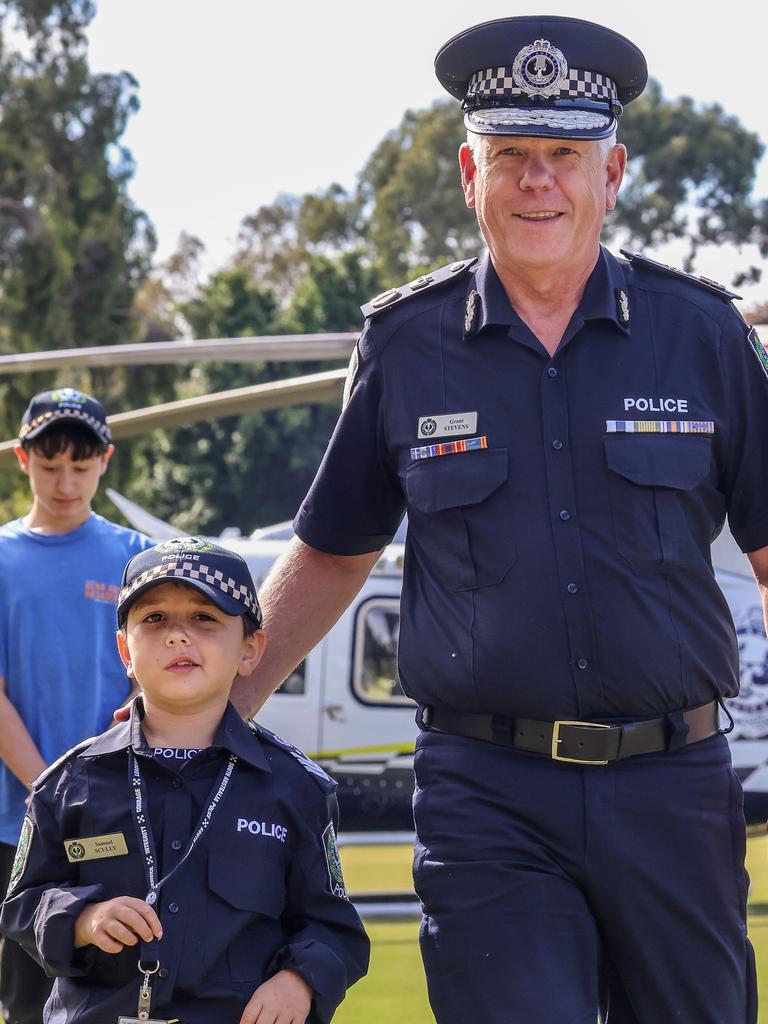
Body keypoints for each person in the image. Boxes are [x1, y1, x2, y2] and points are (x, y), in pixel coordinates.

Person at [226, 15, 768, 1024]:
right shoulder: (405, 343)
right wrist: (215, 713)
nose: (538, 181)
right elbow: (336, 552)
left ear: (612, 176)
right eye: (512, 155)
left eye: (566, 155)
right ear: (470, 172)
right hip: (489, 794)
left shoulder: (706, 336)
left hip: (674, 788)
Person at [0, 539, 369, 1023]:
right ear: (123, 650)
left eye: (205, 618)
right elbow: (22, 908)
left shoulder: (296, 789)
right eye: (153, 619)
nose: (177, 636)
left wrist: (299, 981)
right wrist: (83, 919)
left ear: (250, 648)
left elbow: (334, 928)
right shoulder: (67, 784)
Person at [0, 387, 151, 1024]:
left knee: (117, 998)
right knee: (26, 1004)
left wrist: (95, 788)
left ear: (105, 462)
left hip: (116, 818)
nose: (66, 483)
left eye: (81, 468)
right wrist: (47, 791)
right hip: (14, 825)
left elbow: (154, 681)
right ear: (22, 460)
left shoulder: (135, 555)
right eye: (51, 466)